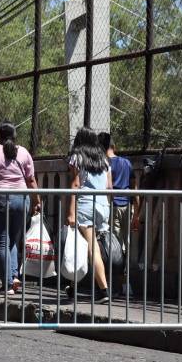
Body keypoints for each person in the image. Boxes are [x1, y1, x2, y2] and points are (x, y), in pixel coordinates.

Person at [0, 122, 41, 295]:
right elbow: (31, 180)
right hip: (22, 199)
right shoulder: (24, 152)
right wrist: (37, 201)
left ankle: (7, 284)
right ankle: (14, 276)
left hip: (1, 199)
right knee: (12, 240)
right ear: (15, 136)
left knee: (2, 242)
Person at [65, 127, 113, 303]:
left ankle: (103, 290)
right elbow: (109, 187)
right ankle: (73, 286)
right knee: (82, 246)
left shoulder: (76, 157)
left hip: (85, 205)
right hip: (103, 206)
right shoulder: (104, 160)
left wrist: (71, 211)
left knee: (92, 248)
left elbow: (75, 184)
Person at [98, 132, 138, 296]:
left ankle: (115, 285)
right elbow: (134, 187)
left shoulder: (104, 164)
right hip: (127, 207)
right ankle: (126, 285)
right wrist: (137, 211)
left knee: (112, 248)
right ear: (114, 146)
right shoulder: (127, 163)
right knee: (125, 247)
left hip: (112, 207)